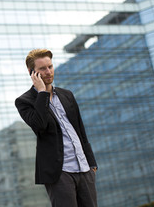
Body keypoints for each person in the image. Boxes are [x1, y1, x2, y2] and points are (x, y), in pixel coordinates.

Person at [15, 49, 98, 207]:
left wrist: (91, 163)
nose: (48, 72)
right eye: (42, 69)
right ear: (31, 72)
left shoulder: (67, 95)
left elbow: (80, 130)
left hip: (84, 167)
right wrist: (42, 93)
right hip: (59, 172)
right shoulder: (24, 101)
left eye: (50, 67)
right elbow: (40, 125)